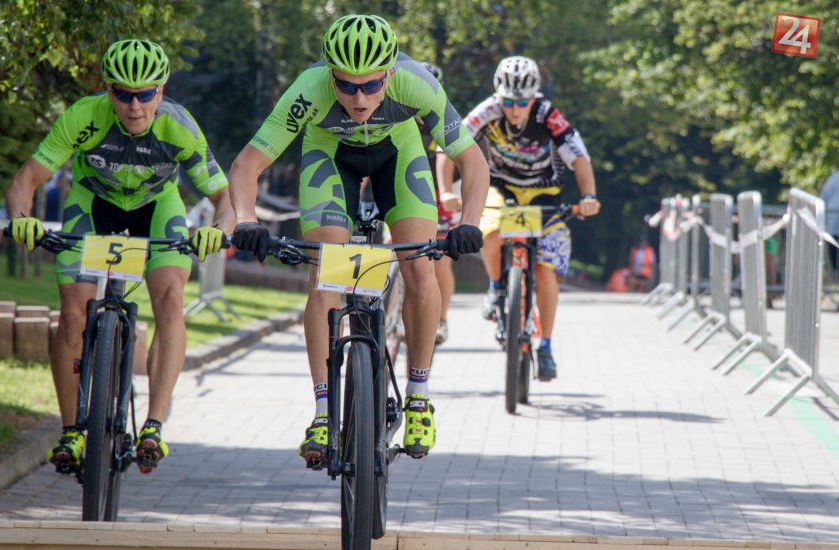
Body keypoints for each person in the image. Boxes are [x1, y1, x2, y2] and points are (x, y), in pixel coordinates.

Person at [228, 14, 488, 463]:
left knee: (419, 266)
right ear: (330, 75)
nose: (360, 98)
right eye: (346, 86)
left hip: (396, 154)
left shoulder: (416, 83)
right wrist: (247, 220)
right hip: (330, 156)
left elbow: (472, 160)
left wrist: (469, 222)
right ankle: (323, 411)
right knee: (326, 273)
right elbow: (247, 164)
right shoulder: (309, 89)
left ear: (390, 73)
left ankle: (419, 396)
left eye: (371, 85)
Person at [5, 39, 234, 475]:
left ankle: (154, 426)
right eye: (123, 94)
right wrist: (21, 218)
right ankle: (71, 431)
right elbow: (25, 180)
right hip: (93, 204)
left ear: (161, 91)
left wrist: (218, 231)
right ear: (107, 90)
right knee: (73, 312)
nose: (134, 106)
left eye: (146, 94)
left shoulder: (179, 126)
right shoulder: (83, 116)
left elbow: (224, 197)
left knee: (170, 298)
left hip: (156, 207)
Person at [437, 55, 600, 381]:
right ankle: (496, 287)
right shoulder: (488, 110)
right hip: (502, 188)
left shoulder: (548, 114)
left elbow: (578, 157)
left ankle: (546, 346)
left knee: (545, 271)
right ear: (499, 96)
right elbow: (448, 146)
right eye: (508, 101)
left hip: (544, 193)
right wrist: (444, 191)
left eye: (522, 102)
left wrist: (588, 197)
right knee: (490, 228)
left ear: (533, 97)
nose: (514, 109)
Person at [416, 61, 458, 346]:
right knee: (388, 246)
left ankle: (441, 319)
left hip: (439, 194)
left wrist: (447, 194)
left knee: (440, 259)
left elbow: (449, 157)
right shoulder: (393, 114)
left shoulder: (443, 119)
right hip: (403, 189)